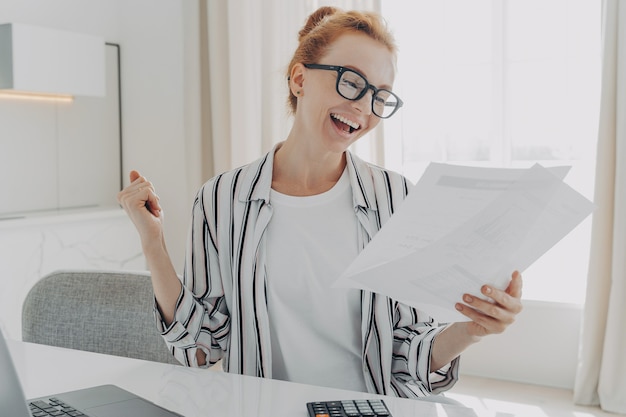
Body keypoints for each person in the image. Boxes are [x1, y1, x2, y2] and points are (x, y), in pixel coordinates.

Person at [117, 6, 523, 399]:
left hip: (371, 408)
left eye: (380, 96)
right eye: (351, 82)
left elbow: (406, 353)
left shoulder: (396, 198)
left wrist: (472, 329)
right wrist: (153, 243)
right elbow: (199, 348)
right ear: (299, 79)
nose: (363, 107)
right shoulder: (222, 198)